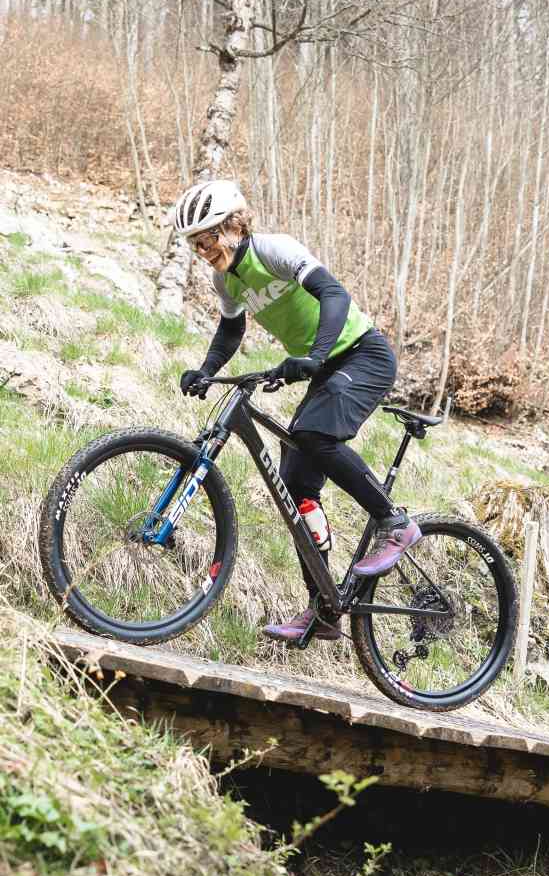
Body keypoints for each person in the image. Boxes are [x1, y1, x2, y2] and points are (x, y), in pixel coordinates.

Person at [174, 179, 421, 642]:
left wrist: (315, 356)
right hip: (323, 366)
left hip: (362, 355)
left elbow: (335, 295)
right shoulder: (225, 278)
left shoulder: (274, 251)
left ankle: (395, 522)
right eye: (195, 243)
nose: (203, 249)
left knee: (313, 435)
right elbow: (231, 331)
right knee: (295, 485)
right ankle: (324, 609)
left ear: (233, 225)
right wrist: (206, 370)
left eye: (208, 238)